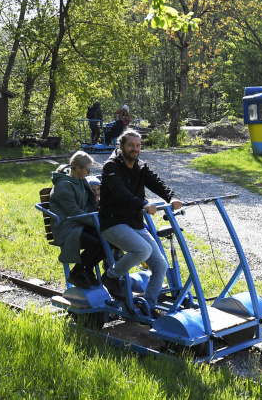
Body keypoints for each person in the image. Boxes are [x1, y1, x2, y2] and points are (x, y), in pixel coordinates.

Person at [99, 129, 183, 316]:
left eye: (138, 146)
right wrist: (143, 205)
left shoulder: (140, 166)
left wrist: (172, 197)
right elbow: (120, 192)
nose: (135, 149)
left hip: (134, 223)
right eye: (131, 145)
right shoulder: (110, 167)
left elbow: (156, 182)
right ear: (121, 146)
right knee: (142, 250)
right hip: (113, 223)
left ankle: (150, 307)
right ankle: (111, 276)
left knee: (160, 265)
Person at [48, 151, 105, 290]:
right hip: (67, 227)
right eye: (87, 169)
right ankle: (77, 273)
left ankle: (87, 269)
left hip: (80, 223)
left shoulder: (79, 181)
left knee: (109, 238)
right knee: (96, 243)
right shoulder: (63, 186)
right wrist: (97, 221)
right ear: (78, 169)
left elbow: (89, 205)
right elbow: (74, 212)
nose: (88, 172)